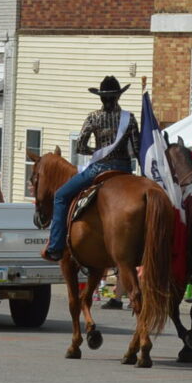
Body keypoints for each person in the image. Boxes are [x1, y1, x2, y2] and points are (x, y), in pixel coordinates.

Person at [44, 75, 140, 261]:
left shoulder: (93, 118)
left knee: (61, 196)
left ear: (101, 98)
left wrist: (96, 151)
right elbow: (137, 149)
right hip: (124, 170)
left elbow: (80, 147)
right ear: (118, 97)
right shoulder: (130, 119)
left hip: (99, 169)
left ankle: (56, 246)